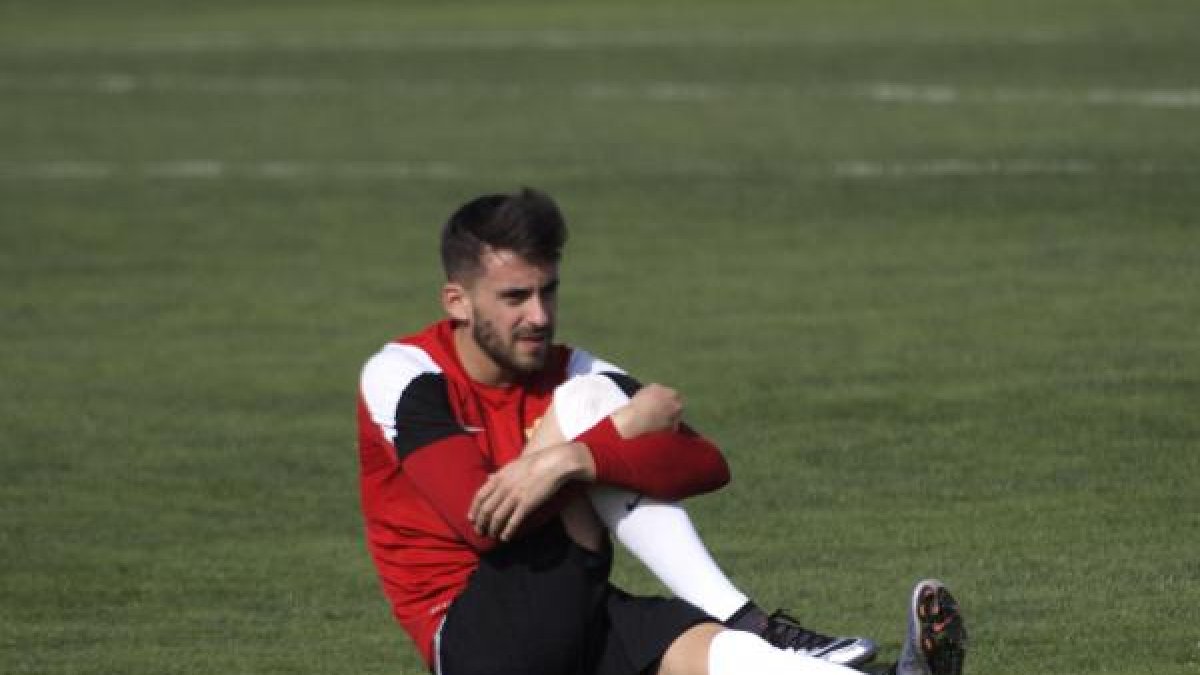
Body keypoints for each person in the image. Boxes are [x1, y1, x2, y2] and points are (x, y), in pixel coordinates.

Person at [357, 188, 967, 675]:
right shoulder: (404, 374)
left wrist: (577, 458)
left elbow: (706, 462)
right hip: (476, 641)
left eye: (549, 292)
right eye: (515, 297)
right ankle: (749, 615)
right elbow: (478, 524)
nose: (538, 316)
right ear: (457, 301)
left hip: (572, 601)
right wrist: (590, 446)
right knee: (588, 405)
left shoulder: (570, 365)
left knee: (727, 656)